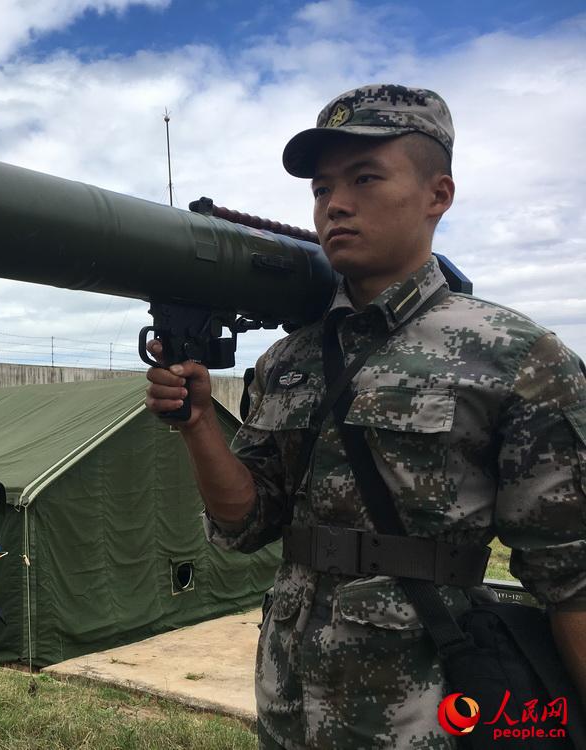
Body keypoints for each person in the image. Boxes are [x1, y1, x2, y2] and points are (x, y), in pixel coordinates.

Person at [145, 84, 586, 748]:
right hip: (290, 706)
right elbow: (245, 524)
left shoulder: (518, 357)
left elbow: (571, 577)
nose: (336, 204)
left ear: (439, 195)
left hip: (436, 714)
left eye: (366, 178)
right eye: (322, 189)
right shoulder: (287, 360)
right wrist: (199, 424)